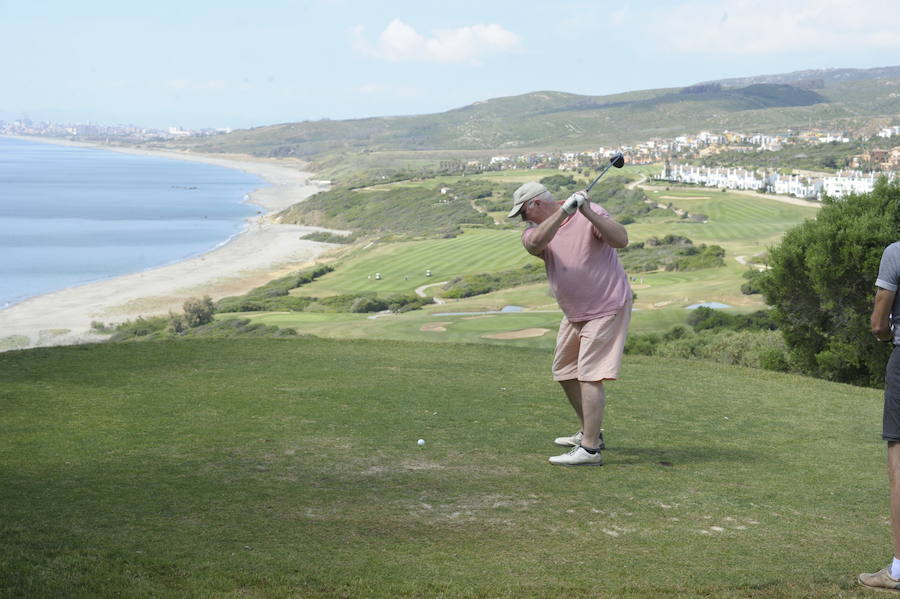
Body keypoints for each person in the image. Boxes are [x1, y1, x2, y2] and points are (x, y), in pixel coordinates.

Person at [508, 181, 631, 466]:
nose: (523, 220)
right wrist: (564, 211)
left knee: (589, 375)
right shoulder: (532, 234)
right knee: (565, 372)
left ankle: (589, 450)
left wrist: (587, 212)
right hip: (575, 312)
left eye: (523, 212)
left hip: (606, 305)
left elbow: (621, 240)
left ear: (535, 204)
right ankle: (592, 433)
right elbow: (537, 242)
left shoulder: (592, 214)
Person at [860, 240, 900, 592]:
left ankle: (899, 571)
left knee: (899, 468)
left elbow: (878, 321)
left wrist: (887, 333)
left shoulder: (896, 252)